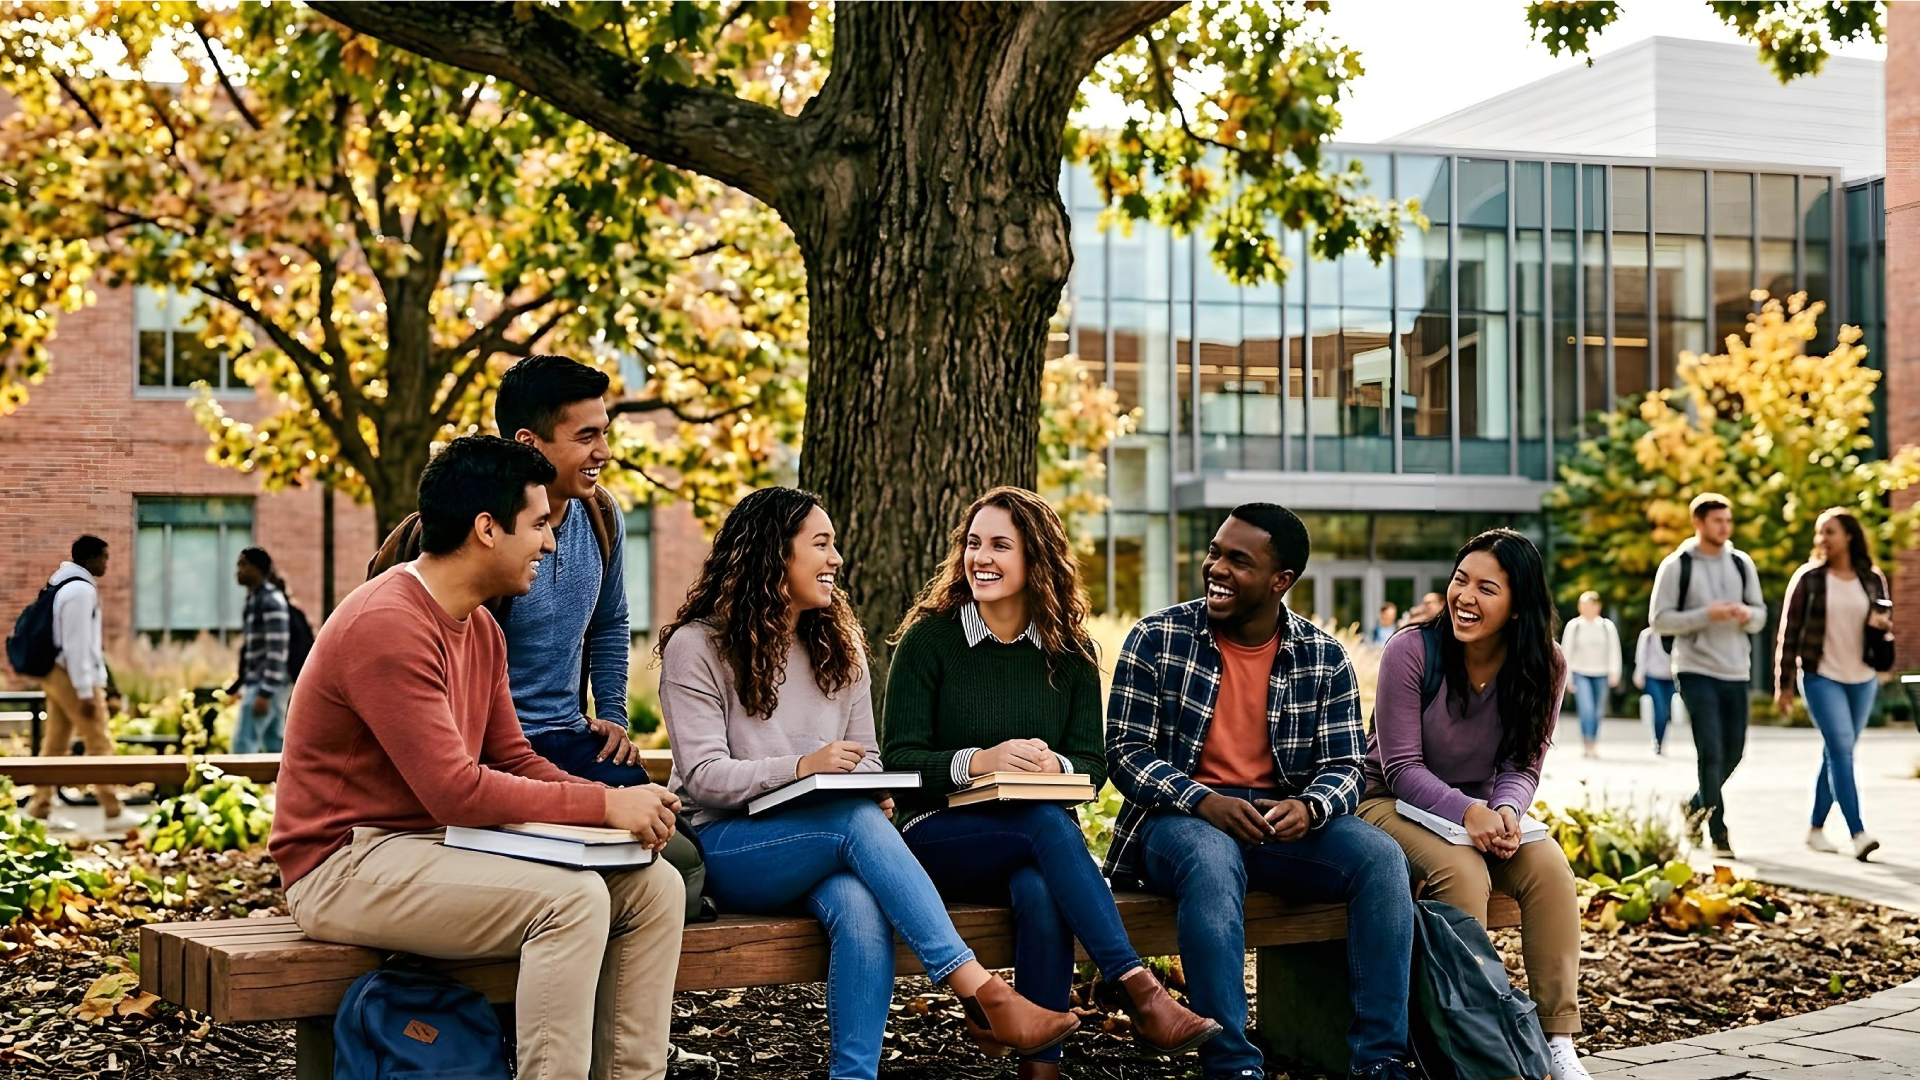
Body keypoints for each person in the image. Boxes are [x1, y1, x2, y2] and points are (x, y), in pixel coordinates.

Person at [271, 436, 686, 1080]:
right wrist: (604, 801)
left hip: (436, 848)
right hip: (343, 863)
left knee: (653, 887)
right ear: (487, 529)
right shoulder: (388, 622)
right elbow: (456, 792)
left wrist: (616, 815)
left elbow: (514, 758)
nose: (551, 544)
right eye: (540, 525)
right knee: (570, 902)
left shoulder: (483, 627)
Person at [657, 486, 1077, 1080]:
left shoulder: (840, 645)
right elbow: (702, 780)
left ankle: (855, 1076)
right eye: (821, 545)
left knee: (859, 905)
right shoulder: (696, 646)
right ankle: (980, 991)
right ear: (773, 554)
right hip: (733, 844)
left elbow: (868, 759)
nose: (836, 560)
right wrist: (804, 768)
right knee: (851, 824)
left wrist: (873, 787)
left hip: (828, 844)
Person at [882, 487, 1220, 1080]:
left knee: (1041, 888)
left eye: (1000, 546)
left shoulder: (1071, 652)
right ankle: (1138, 987)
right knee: (1044, 826)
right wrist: (982, 761)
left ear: (1036, 559)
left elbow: (1092, 764)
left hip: (1034, 843)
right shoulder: (930, 640)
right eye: (973, 543)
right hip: (934, 836)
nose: (980, 558)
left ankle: (1042, 1072)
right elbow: (901, 765)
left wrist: (1055, 767)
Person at [1106, 503, 1417, 1080]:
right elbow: (1125, 753)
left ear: (1282, 581)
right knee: (1211, 856)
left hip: (1280, 826)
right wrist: (1202, 799)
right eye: (1214, 552)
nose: (1215, 568)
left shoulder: (1324, 657)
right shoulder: (1158, 637)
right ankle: (1232, 1065)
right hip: (1178, 821)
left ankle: (1380, 1060)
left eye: (1237, 561)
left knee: (1380, 857)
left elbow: (1348, 766)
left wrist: (1310, 806)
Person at [1358, 529, 1588, 1080]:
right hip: (1387, 802)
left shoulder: (1545, 664)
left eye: (1487, 588)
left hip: (1479, 814)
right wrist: (1470, 813)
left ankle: (1556, 1038)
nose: (1465, 597)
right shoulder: (1410, 650)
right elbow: (1401, 767)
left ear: (1517, 606)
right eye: (1461, 579)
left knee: (1551, 871)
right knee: (1461, 873)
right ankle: (1471, 1041)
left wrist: (1507, 812)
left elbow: (1522, 766)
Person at [1649, 493, 1766, 860]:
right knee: (1710, 751)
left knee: (1735, 752)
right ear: (1698, 523)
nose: (1725, 527)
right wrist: (1706, 615)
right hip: (1694, 668)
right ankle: (1718, 832)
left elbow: (1761, 614)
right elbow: (1659, 620)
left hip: (1735, 669)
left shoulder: (1741, 563)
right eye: (1718, 521)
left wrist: (1747, 615)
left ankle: (1695, 806)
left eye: (1728, 521)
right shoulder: (1676, 565)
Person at [1775, 508, 1890, 861]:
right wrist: (1785, 684)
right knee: (1842, 751)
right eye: (1820, 532)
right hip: (1822, 675)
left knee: (1835, 753)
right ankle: (1858, 833)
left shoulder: (1871, 578)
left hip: (1862, 677)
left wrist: (1879, 627)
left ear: (1849, 536)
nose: (1822, 539)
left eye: (1830, 532)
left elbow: (1884, 625)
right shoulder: (1809, 578)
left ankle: (1815, 829)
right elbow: (1789, 633)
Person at [24, 536, 128, 827]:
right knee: (99, 740)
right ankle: (114, 811)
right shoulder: (81, 591)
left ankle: (39, 809)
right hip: (72, 676)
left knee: (55, 743)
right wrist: (86, 690)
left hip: (57, 673)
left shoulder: (61, 584)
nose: (107, 563)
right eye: (104, 557)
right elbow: (78, 644)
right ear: (91, 558)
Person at [231, 548, 292, 754]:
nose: (238, 571)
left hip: (266, 685)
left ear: (257, 568)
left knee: (242, 746)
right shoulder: (253, 600)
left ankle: (236, 787)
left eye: (243, 565)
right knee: (276, 745)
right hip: (259, 683)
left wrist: (265, 693)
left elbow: (277, 649)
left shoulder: (270, 601)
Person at [1559, 592, 1621, 758]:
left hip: (1601, 673)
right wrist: (1568, 678)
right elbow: (1567, 653)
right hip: (1580, 673)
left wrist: (1614, 672)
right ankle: (1587, 743)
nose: (1588, 608)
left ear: (1598, 606)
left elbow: (1614, 651)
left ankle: (1593, 741)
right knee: (1586, 708)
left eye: (1591, 604)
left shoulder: (1607, 627)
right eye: (1584, 604)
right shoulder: (1574, 626)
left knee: (1597, 711)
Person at [1633, 627, 1676, 755]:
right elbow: (1640, 657)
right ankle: (1658, 741)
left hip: (1671, 678)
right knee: (1660, 709)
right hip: (1653, 676)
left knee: (1666, 710)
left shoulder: (1677, 634)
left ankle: (1660, 741)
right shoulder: (1648, 636)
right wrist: (1639, 674)